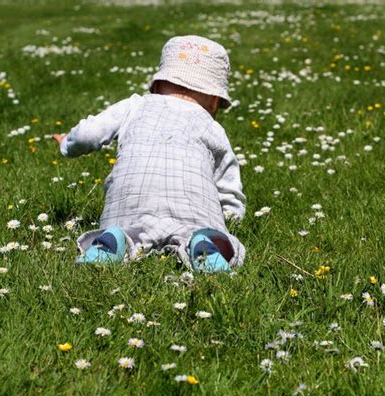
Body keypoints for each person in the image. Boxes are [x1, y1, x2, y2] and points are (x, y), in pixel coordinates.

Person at [53, 35, 246, 273]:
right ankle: (205, 244)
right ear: (215, 102)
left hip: (128, 208)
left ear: (156, 85)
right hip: (195, 213)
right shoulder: (213, 128)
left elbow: (88, 134)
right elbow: (229, 187)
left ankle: (112, 241)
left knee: (125, 231)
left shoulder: (135, 105)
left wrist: (67, 144)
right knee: (206, 233)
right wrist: (230, 218)